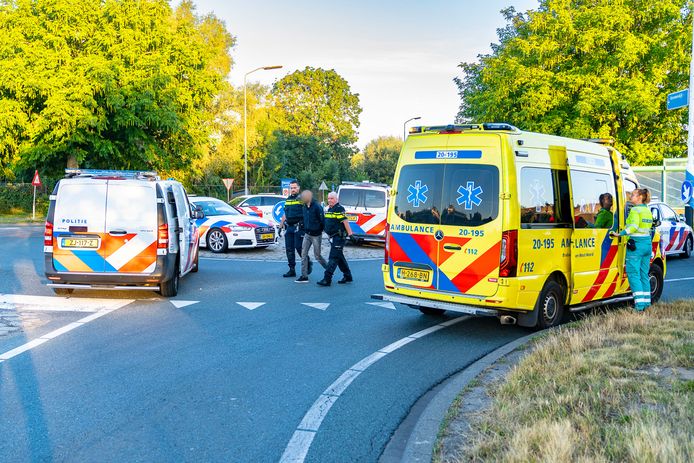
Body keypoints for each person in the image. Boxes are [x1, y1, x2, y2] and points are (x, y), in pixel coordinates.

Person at [610, 188, 653, 311]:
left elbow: (633, 227)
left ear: (640, 197)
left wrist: (620, 234)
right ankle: (646, 304)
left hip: (636, 245)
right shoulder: (647, 210)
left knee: (634, 275)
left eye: (633, 195)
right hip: (647, 244)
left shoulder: (635, 210)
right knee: (644, 274)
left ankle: (639, 306)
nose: (630, 197)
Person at [317, 192, 354, 286]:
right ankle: (348, 276)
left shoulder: (339, 208)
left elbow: (345, 222)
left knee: (333, 258)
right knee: (339, 257)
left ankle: (327, 278)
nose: (329, 200)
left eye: (332, 198)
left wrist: (350, 234)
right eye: (328, 198)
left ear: (336, 199)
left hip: (339, 237)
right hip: (333, 237)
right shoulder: (329, 209)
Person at [280, 180, 311, 278]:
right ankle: (292, 270)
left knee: (299, 248)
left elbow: (308, 212)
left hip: (299, 227)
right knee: (289, 249)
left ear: (298, 188)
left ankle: (308, 263)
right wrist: (280, 227)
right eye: (291, 188)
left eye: (294, 187)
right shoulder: (288, 199)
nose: (293, 189)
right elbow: (285, 214)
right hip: (289, 227)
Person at [296, 190, 327, 283]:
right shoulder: (304, 207)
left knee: (317, 256)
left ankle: (329, 269)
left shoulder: (317, 207)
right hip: (307, 234)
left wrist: (319, 230)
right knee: (303, 254)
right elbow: (304, 218)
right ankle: (304, 276)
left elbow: (322, 220)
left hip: (316, 235)